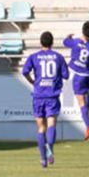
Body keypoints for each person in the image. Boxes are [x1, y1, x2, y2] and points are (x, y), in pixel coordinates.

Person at [22, 31, 69, 167]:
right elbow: (66, 76)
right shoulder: (58, 57)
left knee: (41, 128)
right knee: (52, 124)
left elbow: (25, 71)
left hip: (38, 95)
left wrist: (32, 81)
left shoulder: (34, 56)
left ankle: (43, 159)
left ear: (40, 43)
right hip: (52, 96)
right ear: (52, 43)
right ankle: (49, 150)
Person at [63, 22, 89, 140]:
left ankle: (88, 125)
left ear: (82, 31)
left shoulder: (75, 42)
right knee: (85, 94)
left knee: (81, 101)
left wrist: (68, 36)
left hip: (78, 74)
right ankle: (88, 120)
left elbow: (65, 42)